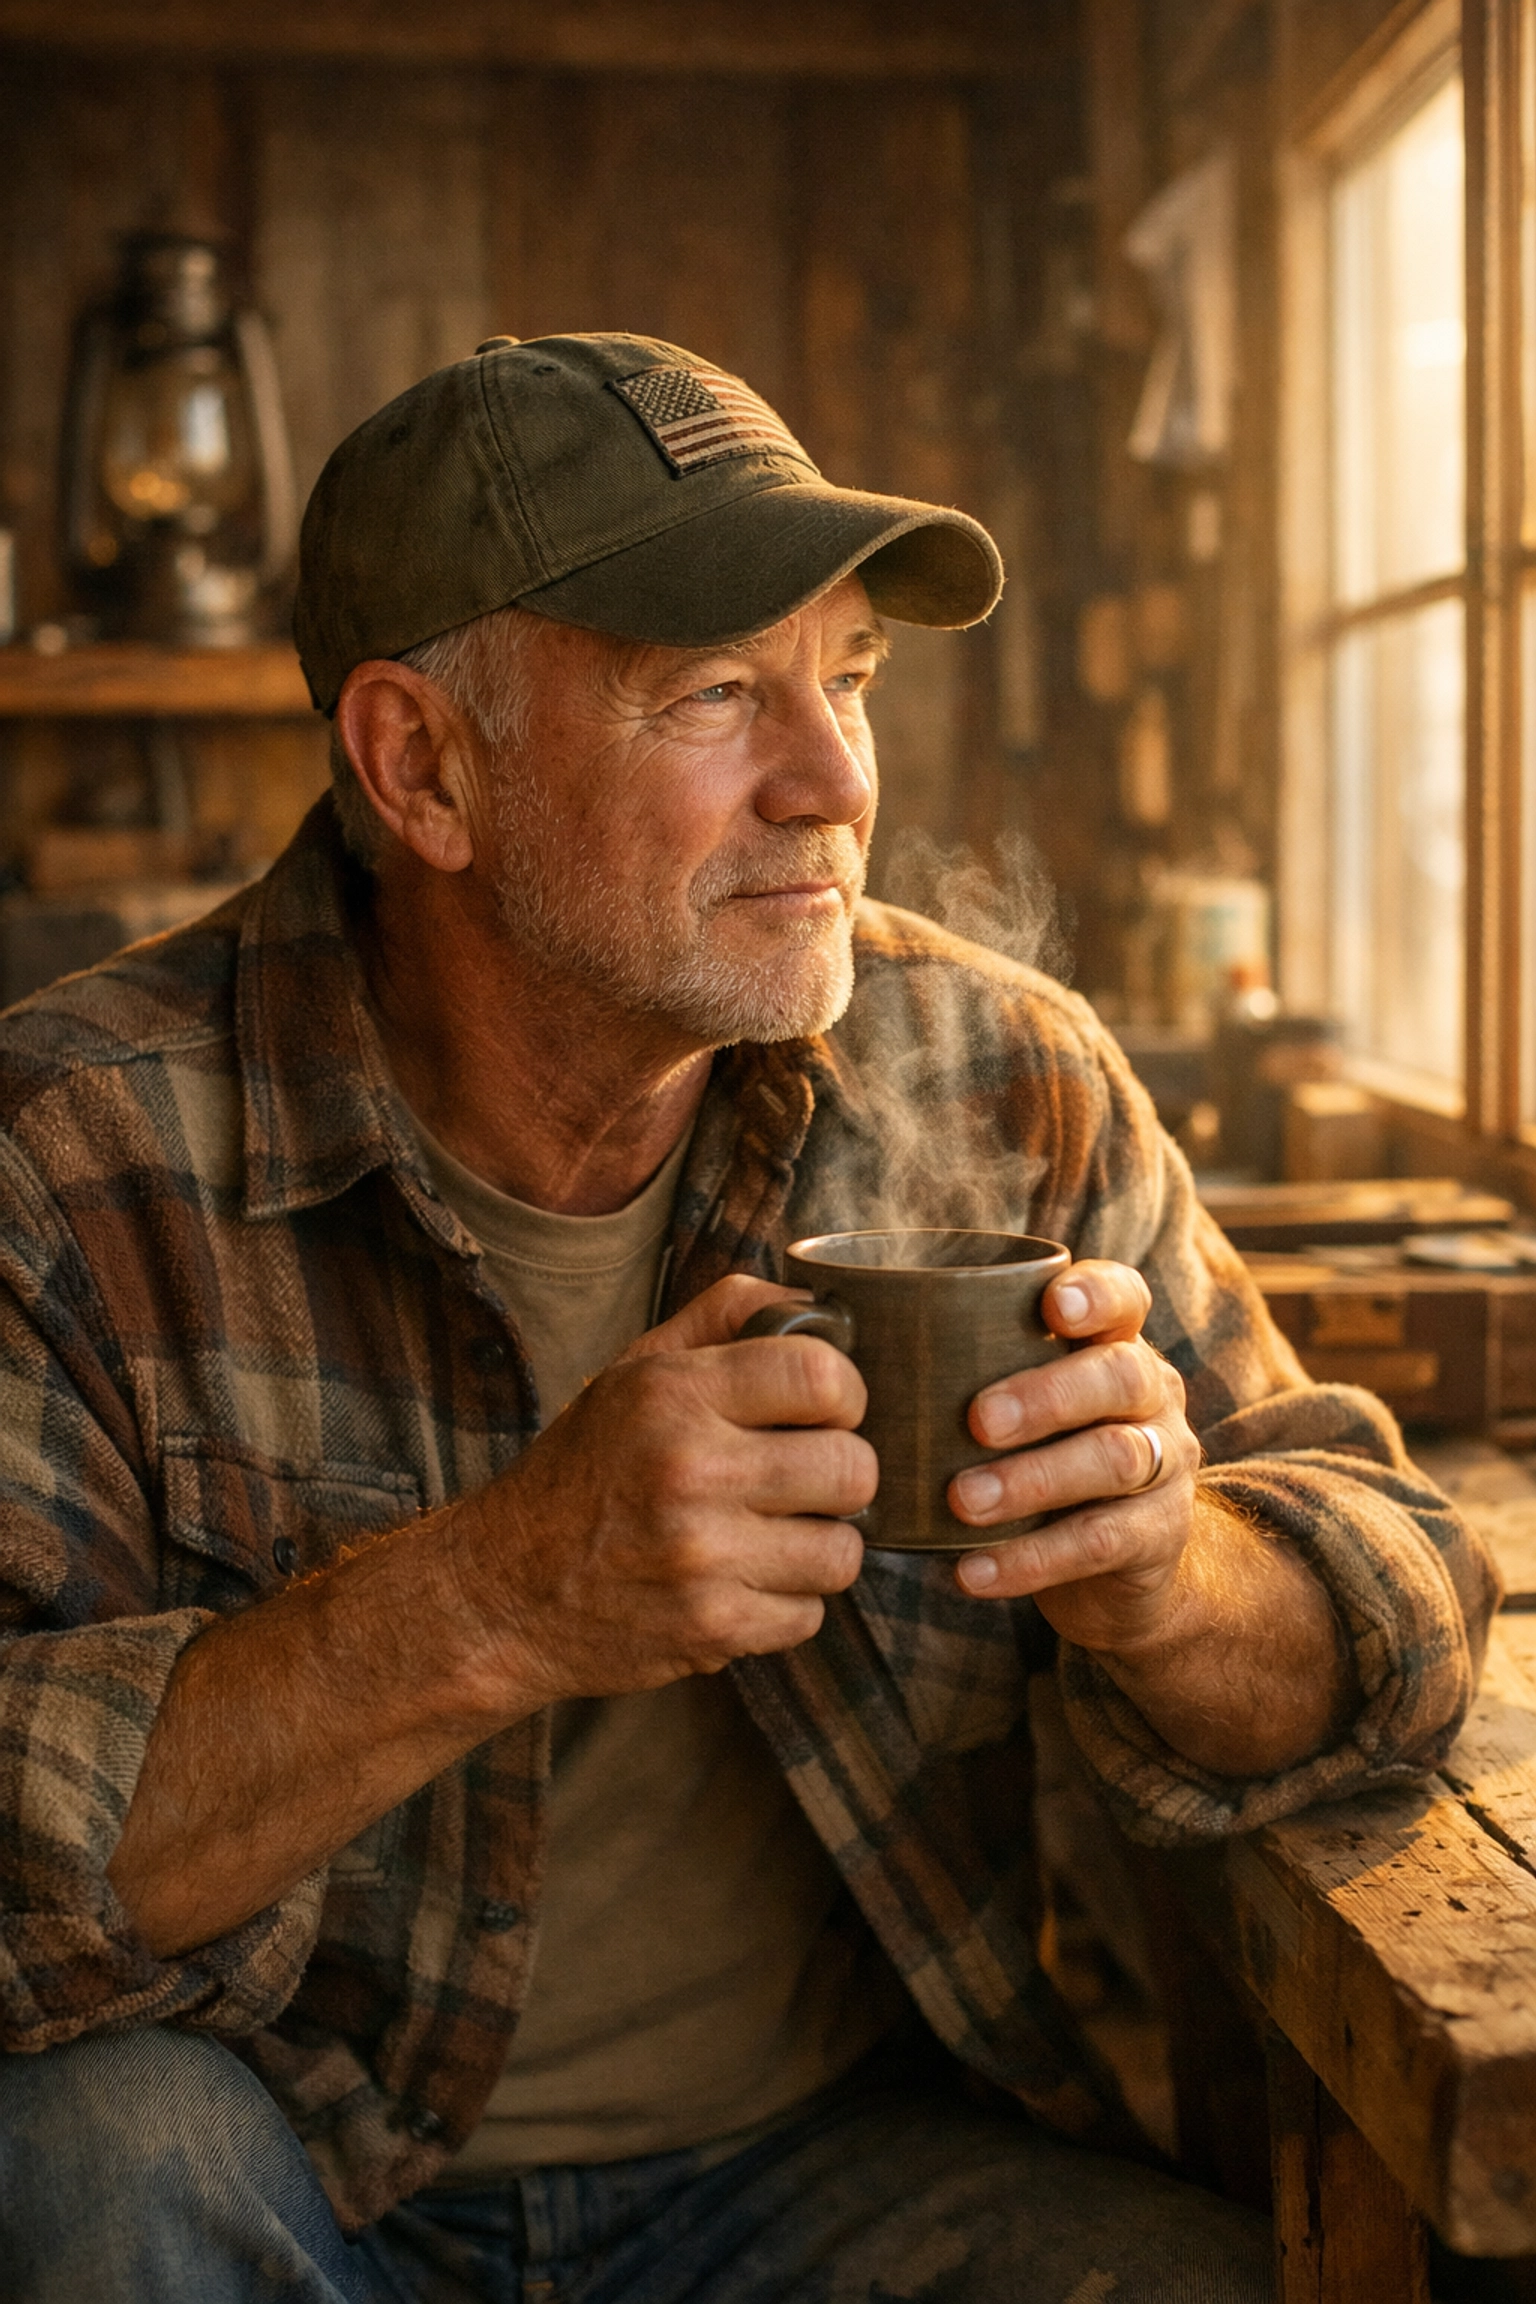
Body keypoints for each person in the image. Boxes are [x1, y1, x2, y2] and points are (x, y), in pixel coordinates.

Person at [0, 333, 1496, 2304]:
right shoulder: (78, 1153)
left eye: (851, 679)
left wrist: (1167, 1569)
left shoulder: (994, 1073)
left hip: (826, 2173)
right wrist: (501, 1596)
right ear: (423, 765)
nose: (834, 781)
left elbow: (1402, 1609)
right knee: (92, 2172)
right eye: (714, 695)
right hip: (296, 2171)